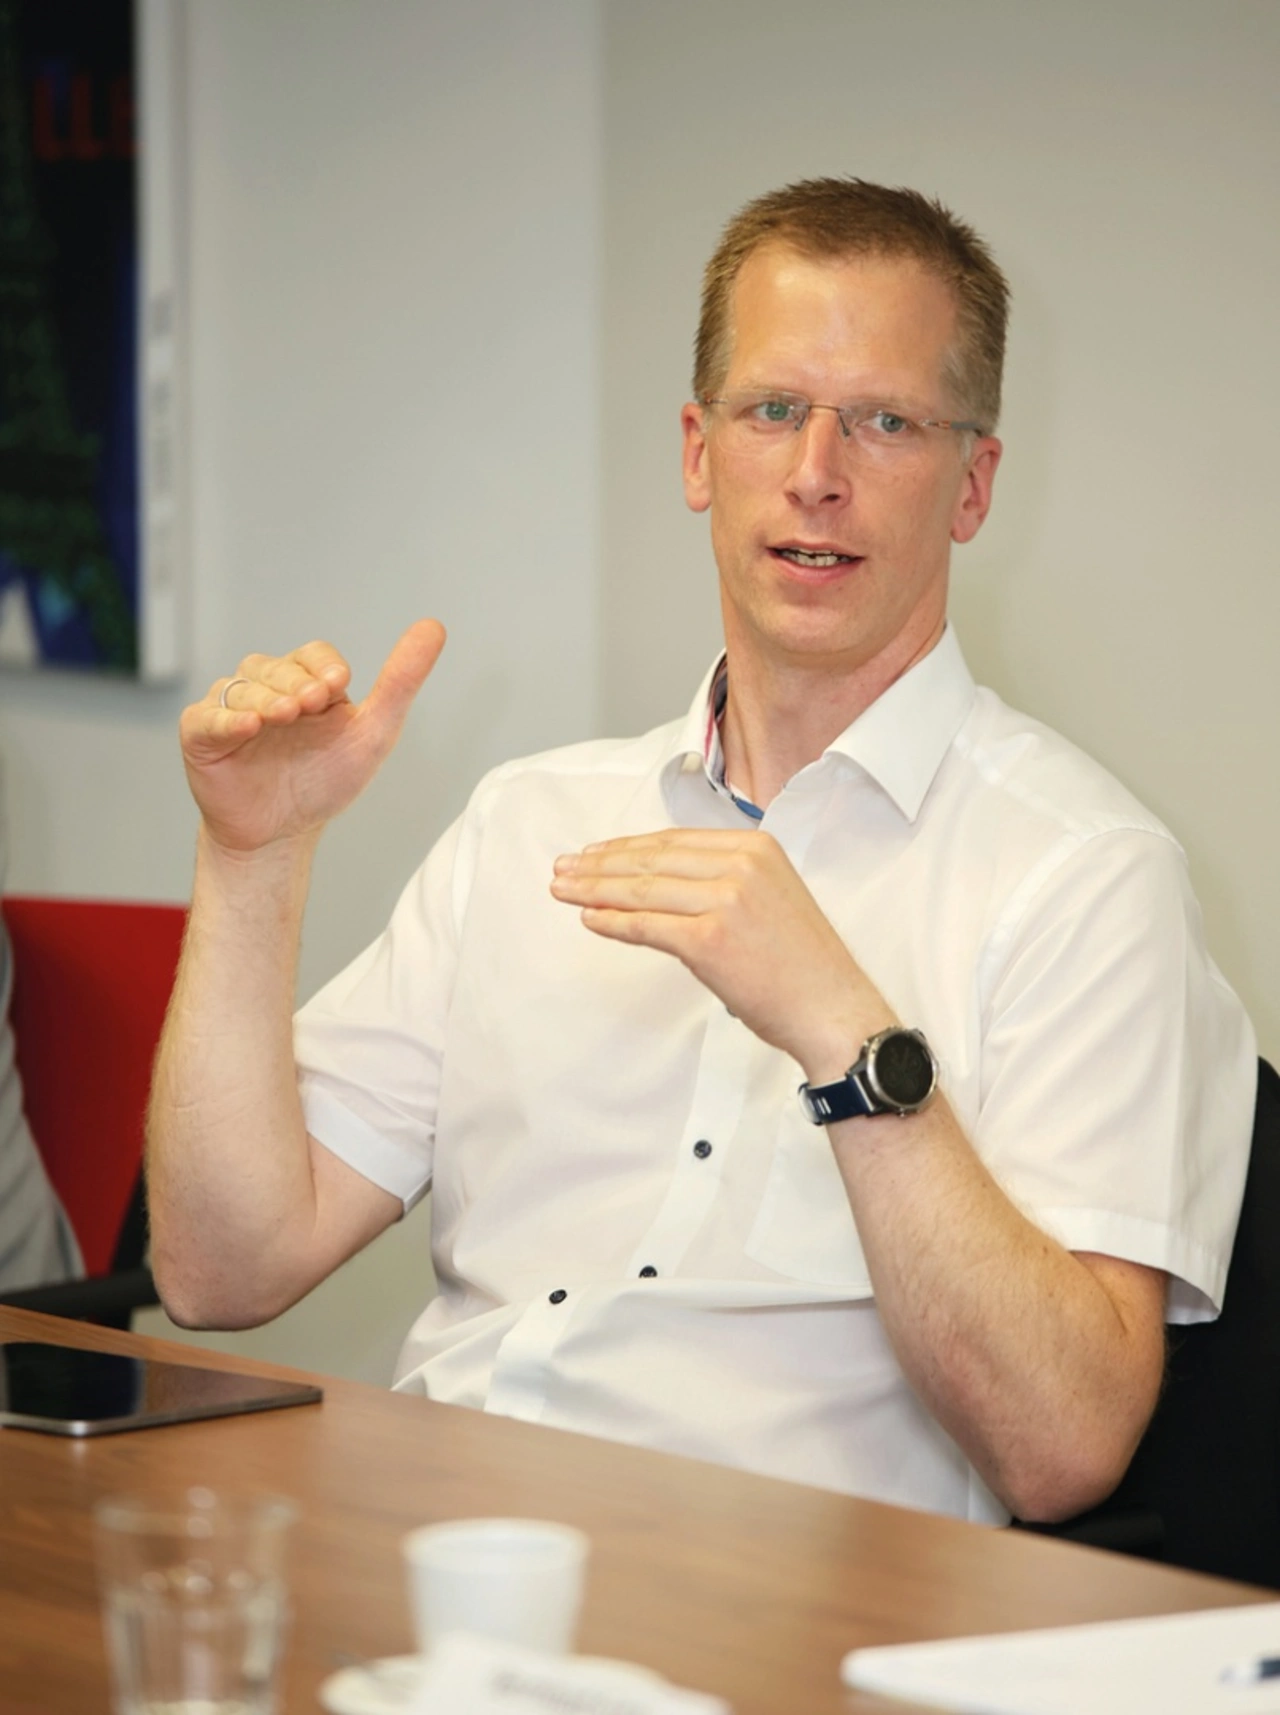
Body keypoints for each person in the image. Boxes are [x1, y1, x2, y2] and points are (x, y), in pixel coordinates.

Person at [148, 178, 1255, 1526]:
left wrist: (848, 1037)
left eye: (887, 422)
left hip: (773, 1595)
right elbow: (218, 1270)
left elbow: (1061, 1446)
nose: (817, 473)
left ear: (972, 485)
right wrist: (251, 859)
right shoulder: (530, 819)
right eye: (774, 409)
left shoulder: (1087, 873)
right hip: (435, 1544)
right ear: (697, 453)